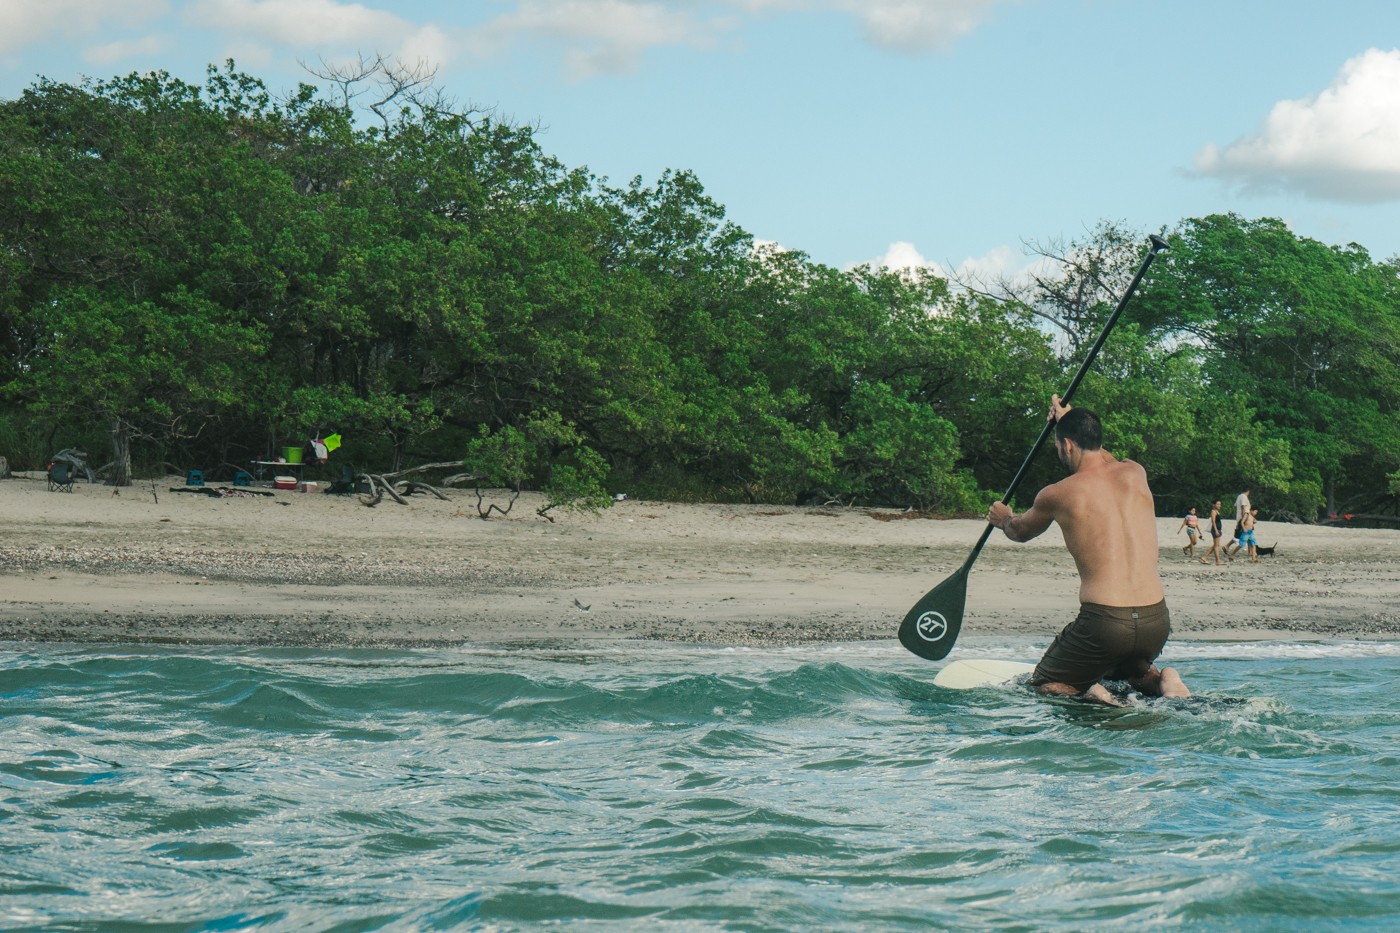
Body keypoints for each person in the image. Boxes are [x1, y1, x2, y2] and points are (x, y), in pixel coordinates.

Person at [986, 395, 1189, 705]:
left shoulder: (1058, 494)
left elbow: (1020, 531)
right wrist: (1069, 418)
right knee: (1128, 675)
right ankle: (1166, 680)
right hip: (1155, 621)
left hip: (1105, 624)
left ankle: (1093, 692)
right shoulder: (1136, 472)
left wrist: (1003, 518)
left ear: (1067, 445)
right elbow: (1100, 457)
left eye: (1059, 448)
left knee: (1046, 683)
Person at [1225, 486, 1252, 560]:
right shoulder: (1243, 496)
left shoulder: (1239, 496)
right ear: (1248, 491)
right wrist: (1244, 517)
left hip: (1240, 517)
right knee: (1243, 534)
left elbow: (1236, 507)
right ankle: (1228, 547)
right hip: (1243, 517)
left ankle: (1250, 552)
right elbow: (1243, 506)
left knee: (1246, 534)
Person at [1200, 500, 1225, 565]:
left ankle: (1205, 557)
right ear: (1214, 505)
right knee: (1216, 546)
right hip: (1215, 529)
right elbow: (1213, 521)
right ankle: (1217, 560)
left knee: (1215, 545)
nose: (1219, 505)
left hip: (1218, 529)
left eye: (1220, 504)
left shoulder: (1217, 511)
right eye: (1218, 504)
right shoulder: (1213, 511)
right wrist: (1216, 530)